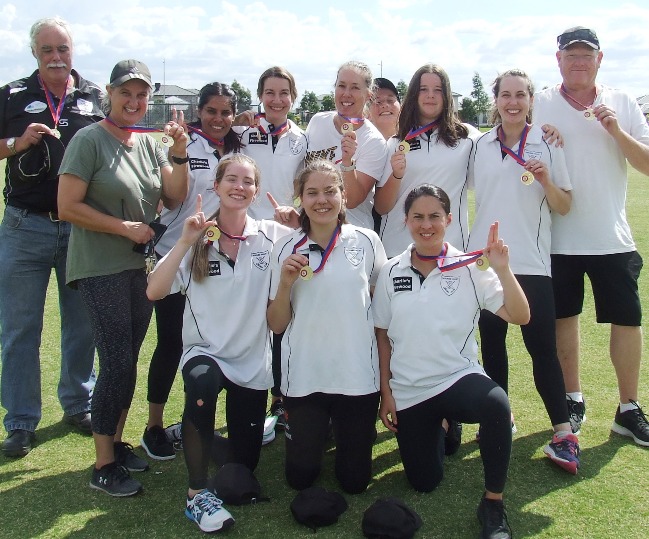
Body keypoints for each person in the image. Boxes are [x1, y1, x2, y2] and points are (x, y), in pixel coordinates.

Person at [58, 59, 189, 496]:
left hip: (137, 266)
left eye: (141, 94)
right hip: (99, 265)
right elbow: (68, 206)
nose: (133, 102)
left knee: (127, 360)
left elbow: (174, 196)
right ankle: (103, 464)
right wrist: (123, 228)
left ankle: (115, 442)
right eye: (125, 93)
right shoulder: (89, 139)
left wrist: (179, 153)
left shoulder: (149, 143)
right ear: (109, 94)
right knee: (115, 362)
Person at [372, 185, 530, 539]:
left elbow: (520, 316)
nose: (426, 225)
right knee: (425, 482)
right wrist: (387, 393)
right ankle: (444, 427)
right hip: (410, 390)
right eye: (418, 217)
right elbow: (382, 335)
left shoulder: (471, 266)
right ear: (406, 220)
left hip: (457, 378)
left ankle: (492, 504)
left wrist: (503, 270)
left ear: (448, 219)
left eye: (434, 217)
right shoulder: (391, 270)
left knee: (495, 404)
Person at [147, 154, 294, 532]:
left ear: (257, 191)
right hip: (205, 355)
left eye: (247, 181)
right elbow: (154, 290)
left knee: (241, 470)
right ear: (216, 186)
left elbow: (313, 245)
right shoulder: (197, 234)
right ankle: (197, 495)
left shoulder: (272, 235)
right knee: (202, 381)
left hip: (250, 364)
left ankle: (193, 429)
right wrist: (183, 240)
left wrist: (299, 226)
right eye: (231, 179)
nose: (239, 187)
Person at [534, 26, 649, 445]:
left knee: (627, 320)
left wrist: (617, 131)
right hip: (558, 237)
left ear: (599, 59)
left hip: (611, 237)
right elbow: (516, 143)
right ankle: (572, 398)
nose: (578, 62)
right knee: (565, 319)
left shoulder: (621, 101)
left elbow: (647, 164)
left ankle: (629, 408)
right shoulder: (540, 100)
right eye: (571, 55)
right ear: (558, 59)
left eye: (586, 55)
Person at [467, 69, 579, 473]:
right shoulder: (478, 144)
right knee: (492, 347)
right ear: (495, 100)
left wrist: (548, 180)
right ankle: (501, 418)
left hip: (529, 265)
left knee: (542, 350)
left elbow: (564, 205)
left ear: (531, 100)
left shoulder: (547, 142)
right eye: (505, 95)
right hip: (483, 263)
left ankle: (564, 434)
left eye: (520, 95)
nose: (512, 102)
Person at [0, 17, 101, 457]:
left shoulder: (95, 96)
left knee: (81, 323)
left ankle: (78, 404)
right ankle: (20, 419)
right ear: (35, 54)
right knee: (21, 326)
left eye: (62, 48)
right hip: (27, 224)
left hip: (81, 226)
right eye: (47, 50)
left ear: (72, 50)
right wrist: (15, 144)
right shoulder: (11, 95)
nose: (56, 57)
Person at [267, 159, 387, 494]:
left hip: (357, 377)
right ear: (300, 199)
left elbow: (380, 310)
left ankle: (348, 436)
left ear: (343, 196)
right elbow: (276, 325)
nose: (322, 200)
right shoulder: (285, 248)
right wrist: (286, 284)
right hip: (305, 377)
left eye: (330, 191)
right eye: (312, 192)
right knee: (300, 478)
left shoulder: (366, 241)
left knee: (354, 482)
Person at [142, 82, 244, 460]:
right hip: (178, 253)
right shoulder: (182, 144)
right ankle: (154, 425)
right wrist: (180, 152)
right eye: (211, 111)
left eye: (226, 113)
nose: (218, 119)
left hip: (221, 261)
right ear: (200, 110)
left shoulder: (239, 145)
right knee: (171, 342)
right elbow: (172, 198)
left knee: (216, 341)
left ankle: (199, 423)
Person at [241, 66, 307, 431]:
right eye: (270, 92)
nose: (277, 99)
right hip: (249, 238)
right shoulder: (243, 132)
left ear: (292, 98)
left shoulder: (303, 137)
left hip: (286, 237)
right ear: (261, 95)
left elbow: (308, 184)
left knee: (283, 318)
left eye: (284, 92)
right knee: (253, 317)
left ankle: (281, 398)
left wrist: (295, 214)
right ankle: (250, 391)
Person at [375, 63, 479, 258]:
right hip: (399, 252)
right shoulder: (396, 142)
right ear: (414, 94)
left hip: (450, 252)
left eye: (437, 90)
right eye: (423, 89)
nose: (430, 95)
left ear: (447, 96)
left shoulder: (468, 138)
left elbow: (504, 140)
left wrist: (539, 130)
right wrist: (397, 175)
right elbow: (381, 207)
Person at [305, 61, 387, 230]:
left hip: (352, 233)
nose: (346, 94)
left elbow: (353, 200)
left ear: (368, 95)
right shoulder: (317, 121)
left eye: (355, 87)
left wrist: (348, 162)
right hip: (311, 229)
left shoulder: (374, 141)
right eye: (341, 86)